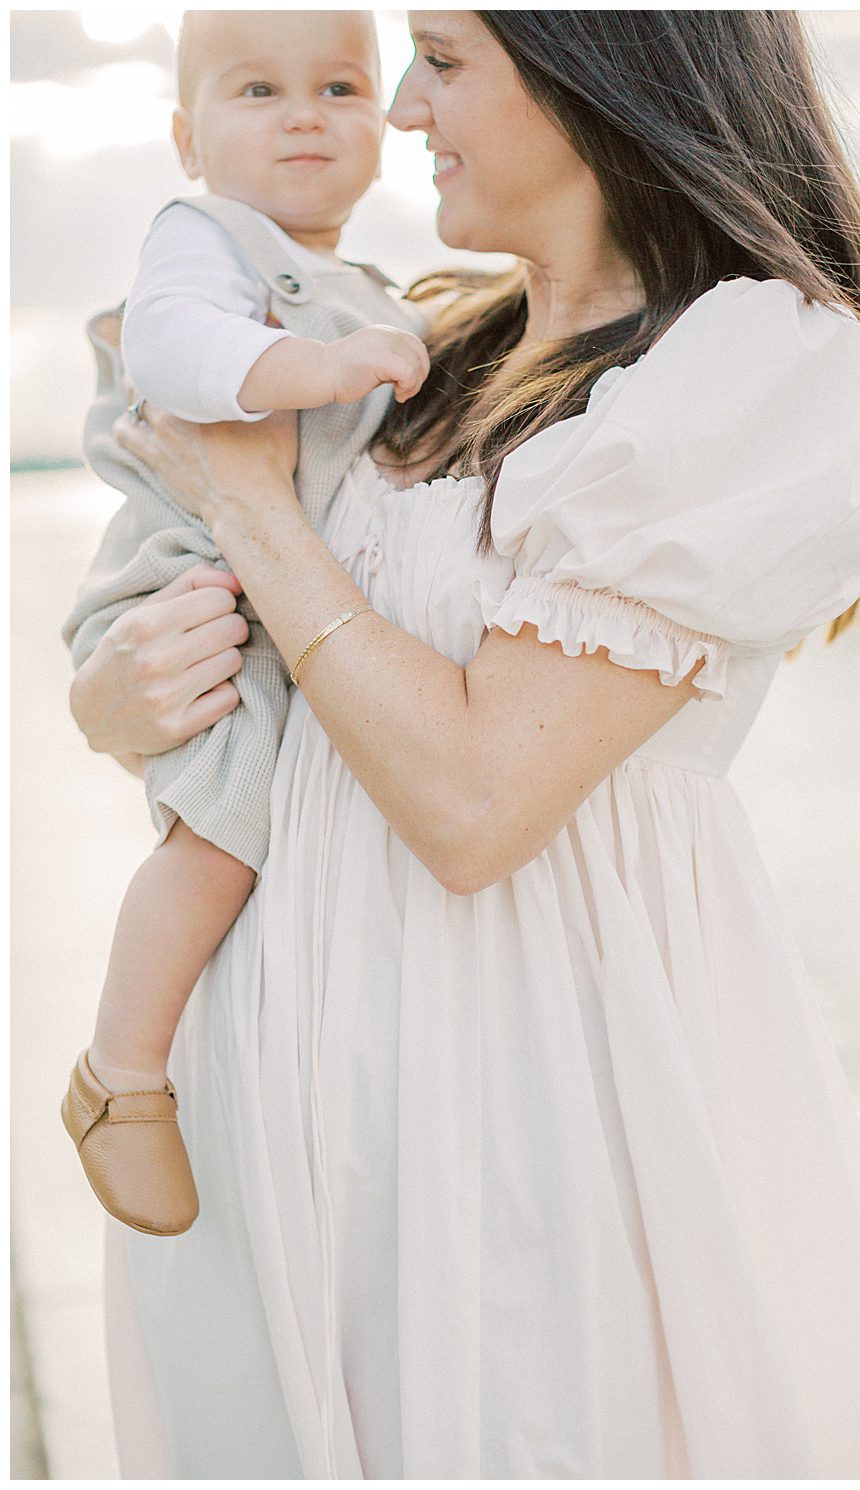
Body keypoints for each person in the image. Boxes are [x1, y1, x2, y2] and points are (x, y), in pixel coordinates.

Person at [68, 10, 860, 1478]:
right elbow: (261, 682)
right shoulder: (412, 346)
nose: (405, 108)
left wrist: (258, 516)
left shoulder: (743, 368)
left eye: (446, 58)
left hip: (520, 1120)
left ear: (600, 69)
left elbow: (475, 801)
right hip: (273, 1122)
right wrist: (116, 697)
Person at [60, 10, 428, 1237]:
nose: (306, 113)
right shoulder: (202, 237)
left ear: (385, 123)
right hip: (186, 584)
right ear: (185, 138)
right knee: (220, 840)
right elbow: (171, 349)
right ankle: (120, 1072)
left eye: (340, 86)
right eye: (259, 90)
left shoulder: (368, 288)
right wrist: (325, 370)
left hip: (268, 589)